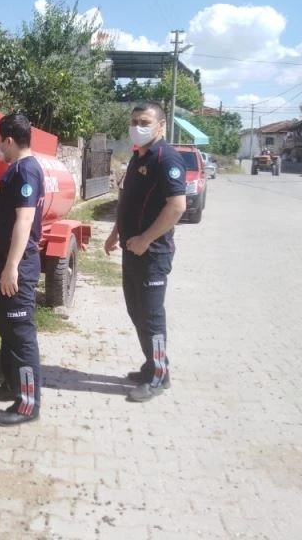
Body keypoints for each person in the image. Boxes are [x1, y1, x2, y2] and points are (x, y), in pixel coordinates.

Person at [104, 102, 187, 402]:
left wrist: (145, 239)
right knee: (136, 311)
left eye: (145, 121)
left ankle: (159, 376)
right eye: (134, 120)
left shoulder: (167, 159)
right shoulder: (138, 157)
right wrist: (116, 233)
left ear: (161, 126)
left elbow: (177, 206)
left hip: (152, 253)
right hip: (131, 250)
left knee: (151, 317)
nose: (137, 126)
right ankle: (152, 363)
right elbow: (127, 201)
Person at [0, 113, 45, 426]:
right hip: (5, 263)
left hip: (16, 266)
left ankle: (27, 404)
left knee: (20, 335)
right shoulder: (17, 169)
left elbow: (24, 222)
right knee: (7, 328)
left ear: (9, 140)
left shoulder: (26, 171)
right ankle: (11, 385)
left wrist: (12, 267)